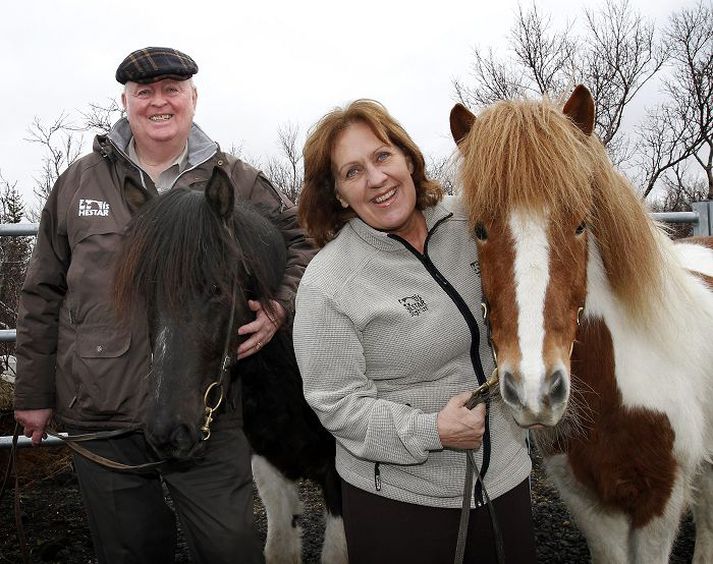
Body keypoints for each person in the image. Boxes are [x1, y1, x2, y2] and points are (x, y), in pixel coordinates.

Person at [13, 47, 315, 563]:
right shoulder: (79, 183)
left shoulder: (237, 180)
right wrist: (33, 393)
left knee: (230, 548)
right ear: (126, 102)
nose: (159, 103)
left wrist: (279, 306)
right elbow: (43, 290)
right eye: (144, 92)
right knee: (130, 551)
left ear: (192, 98)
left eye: (172, 89)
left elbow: (304, 243)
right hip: (103, 410)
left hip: (207, 411)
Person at [293, 99, 536, 563]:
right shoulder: (329, 283)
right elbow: (337, 405)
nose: (377, 179)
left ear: (408, 157)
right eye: (353, 172)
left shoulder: (475, 225)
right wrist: (432, 430)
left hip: (506, 477)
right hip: (402, 503)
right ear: (339, 195)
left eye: (383, 156)